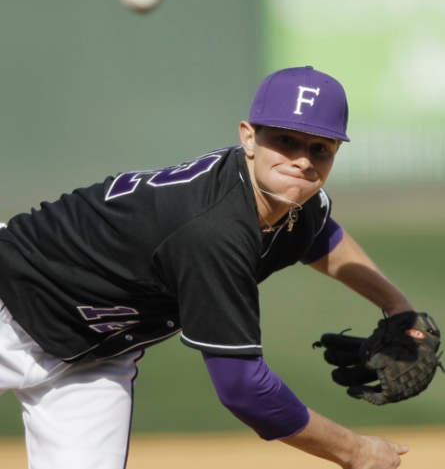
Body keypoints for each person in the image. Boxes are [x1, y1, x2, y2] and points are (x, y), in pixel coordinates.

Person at [0, 65, 412, 469]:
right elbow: (244, 390)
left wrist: (398, 308)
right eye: (286, 140)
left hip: (94, 357)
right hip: (9, 299)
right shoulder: (213, 228)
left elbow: (319, 233)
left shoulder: (296, 199)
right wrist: (354, 452)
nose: (303, 161)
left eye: (320, 148)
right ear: (248, 137)